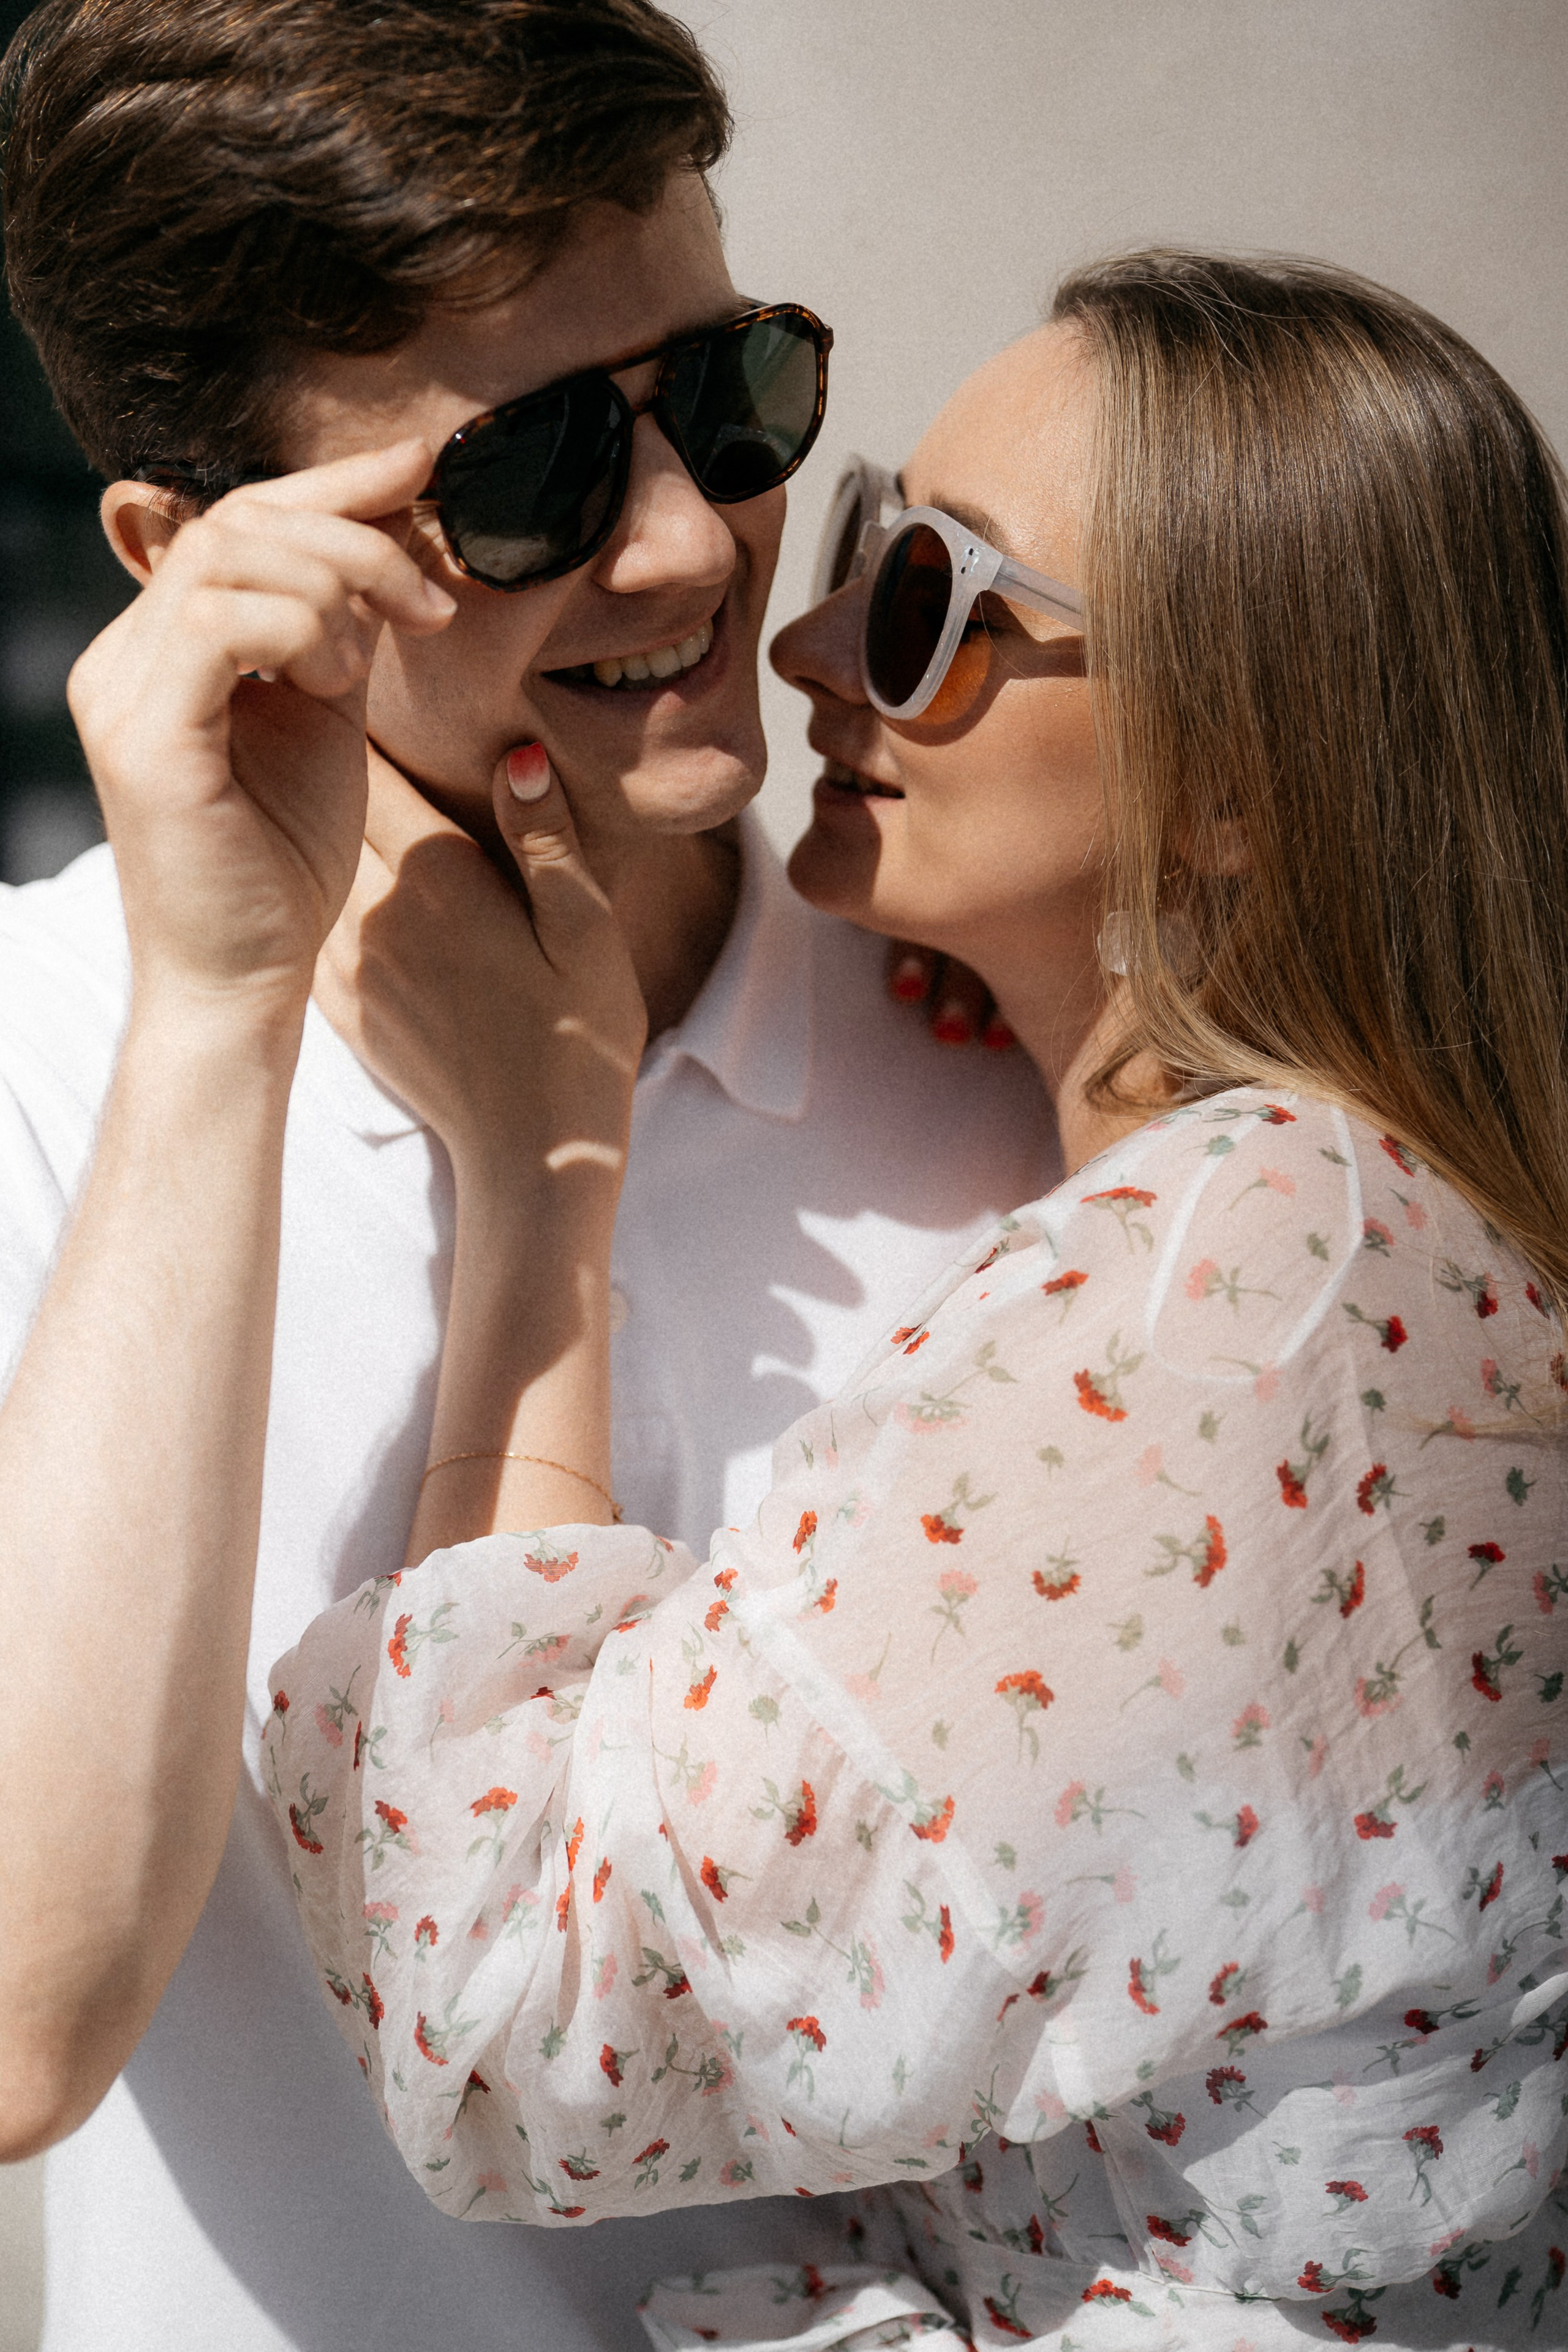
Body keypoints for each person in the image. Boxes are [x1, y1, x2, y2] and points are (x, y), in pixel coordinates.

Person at [265, 253, 1568, 2350]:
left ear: (1237, 777)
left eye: (932, 603)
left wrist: (543, 1164)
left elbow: (516, 2016)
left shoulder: (1233, 1299)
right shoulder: (1378, 1242)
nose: (797, 640)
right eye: (867, 540)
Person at [0, 4, 1052, 2347]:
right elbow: (22, 2024)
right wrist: (212, 1019)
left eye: (732, 392)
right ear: (195, 558)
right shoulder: (41, 1064)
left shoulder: (1008, 1045)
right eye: (533, 473)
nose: (692, 545)